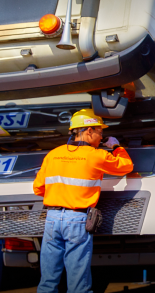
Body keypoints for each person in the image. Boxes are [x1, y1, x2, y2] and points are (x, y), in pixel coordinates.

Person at [33, 108, 133, 293]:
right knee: (78, 283)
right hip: (77, 221)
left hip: (52, 219)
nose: (101, 137)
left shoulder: (53, 154)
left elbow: (38, 188)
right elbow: (126, 166)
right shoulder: (96, 155)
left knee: (48, 280)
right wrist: (116, 147)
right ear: (89, 131)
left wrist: (62, 196)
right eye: (100, 132)